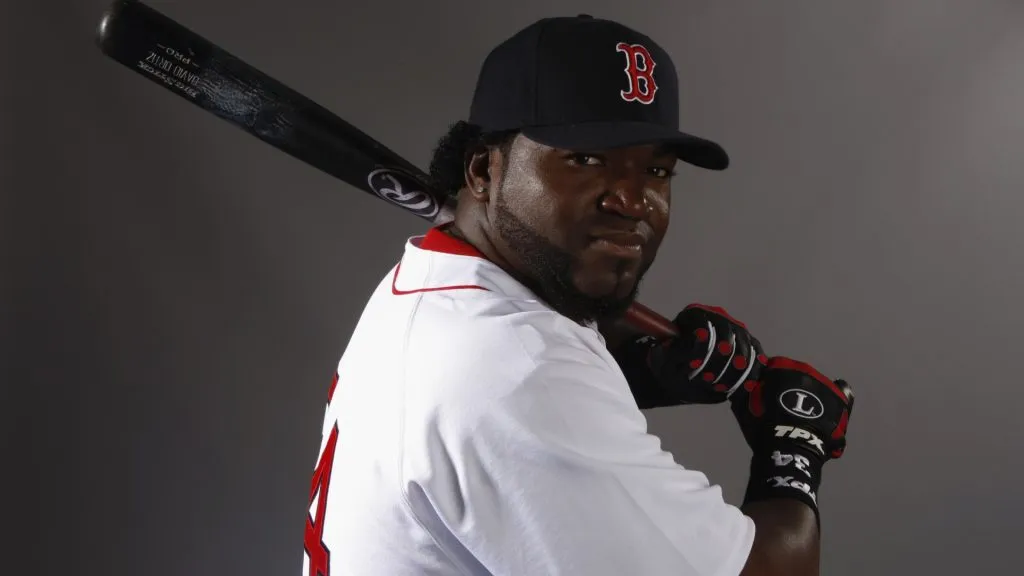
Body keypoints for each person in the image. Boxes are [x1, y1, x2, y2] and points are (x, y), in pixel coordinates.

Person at [301, 14, 854, 576]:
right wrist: (792, 446)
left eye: (657, 169)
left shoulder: (434, 289)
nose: (633, 200)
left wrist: (650, 373)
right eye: (586, 159)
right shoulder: (516, 370)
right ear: (483, 170)